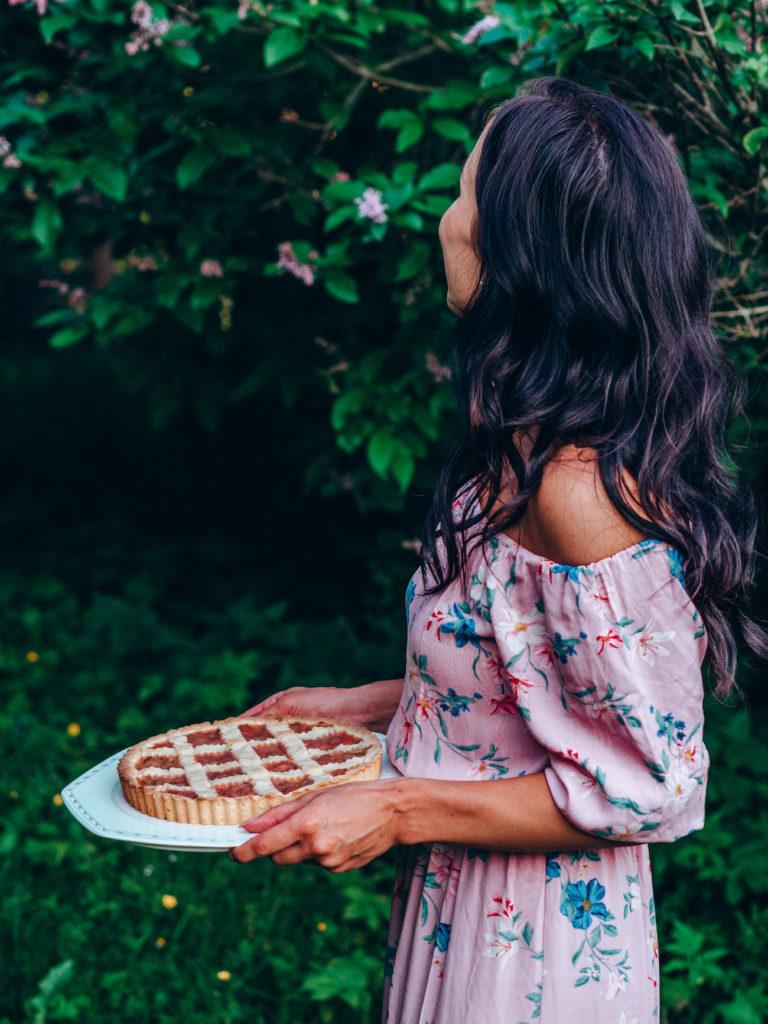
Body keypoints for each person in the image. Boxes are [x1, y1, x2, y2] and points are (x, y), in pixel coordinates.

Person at [228, 76, 767, 1023]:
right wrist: (371, 706)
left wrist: (397, 807)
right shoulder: (523, 449)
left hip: (541, 954)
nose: (444, 217)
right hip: (473, 908)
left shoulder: (577, 493)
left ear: (514, 250)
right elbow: (550, 695)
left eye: (463, 192)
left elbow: (652, 783)